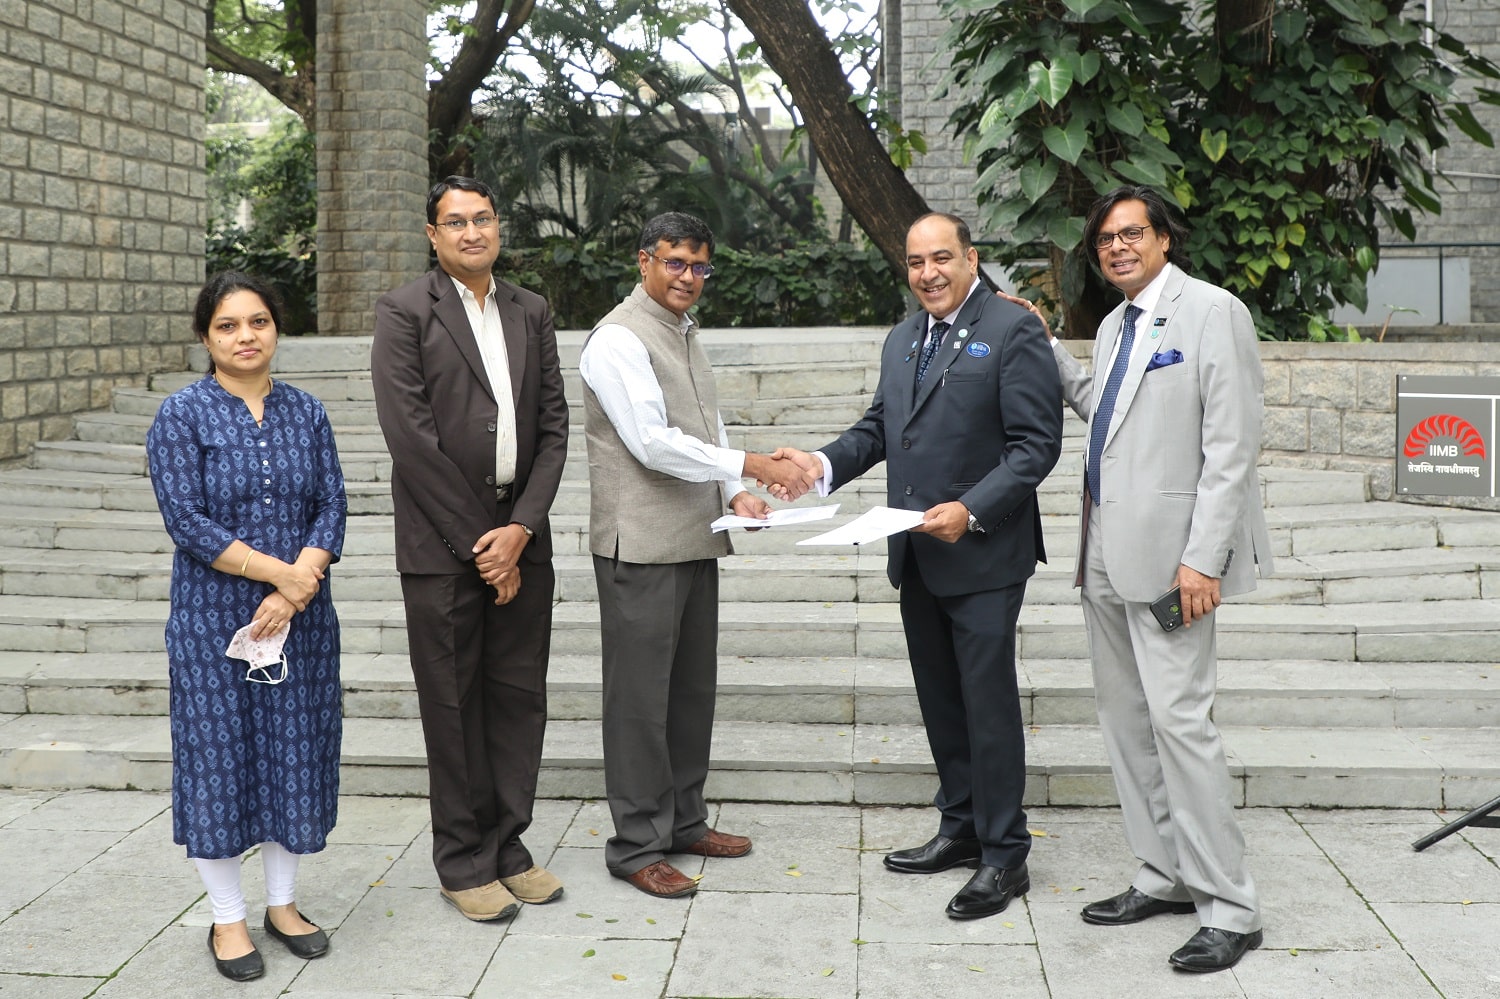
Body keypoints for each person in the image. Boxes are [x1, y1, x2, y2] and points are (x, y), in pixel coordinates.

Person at [775, 212, 1063, 920]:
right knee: (942, 701)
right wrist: (819, 464)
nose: (928, 273)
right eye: (914, 262)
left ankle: (1004, 855)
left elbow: (1034, 445)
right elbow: (879, 427)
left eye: (941, 258)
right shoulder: (904, 337)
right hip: (914, 551)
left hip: (985, 552)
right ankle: (960, 827)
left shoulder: (1011, 328)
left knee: (988, 707)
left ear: (971, 257)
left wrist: (972, 508)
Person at [1016, 184, 1274, 973]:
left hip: (1174, 562)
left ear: (1165, 238)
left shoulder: (1211, 311)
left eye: (1132, 233)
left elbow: (1231, 446)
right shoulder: (1118, 324)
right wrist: (1050, 347)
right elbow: (1107, 410)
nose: (1118, 247)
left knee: (1180, 724)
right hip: (1103, 550)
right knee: (1127, 721)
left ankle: (1230, 904)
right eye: (1105, 241)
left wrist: (1204, 559)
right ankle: (1162, 872)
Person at [580, 211, 813, 898]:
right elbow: (651, 442)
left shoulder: (683, 332)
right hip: (640, 546)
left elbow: (702, 426)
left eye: (700, 266)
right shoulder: (616, 339)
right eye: (676, 262)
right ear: (643, 260)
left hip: (693, 537)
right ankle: (635, 845)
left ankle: (684, 820)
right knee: (639, 705)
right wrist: (751, 462)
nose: (689, 277)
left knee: (688, 696)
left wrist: (736, 490)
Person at [370, 177, 569, 923]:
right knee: (453, 704)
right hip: (442, 542)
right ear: (432, 235)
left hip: (522, 530)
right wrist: (482, 545)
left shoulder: (531, 309)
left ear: (498, 225)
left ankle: (508, 846)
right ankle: (462, 858)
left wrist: (519, 529)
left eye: (482, 217)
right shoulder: (403, 312)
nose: (471, 231)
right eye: (455, 221)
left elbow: (553, 428)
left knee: (518, 697)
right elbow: (410, 438)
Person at [146, 272, 347, 982]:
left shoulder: (307, 412)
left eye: (257, 321)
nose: (245, 336)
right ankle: (227, 917)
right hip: (213, 620)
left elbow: (331, 506)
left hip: (301, 618)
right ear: (206, 336)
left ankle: (284, 905)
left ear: (275, 329)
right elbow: (187, 521)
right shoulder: (181, 415)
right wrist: (276, 573)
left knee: (294, 752)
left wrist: (297, 587)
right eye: (228, 325)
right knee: (219, 759)